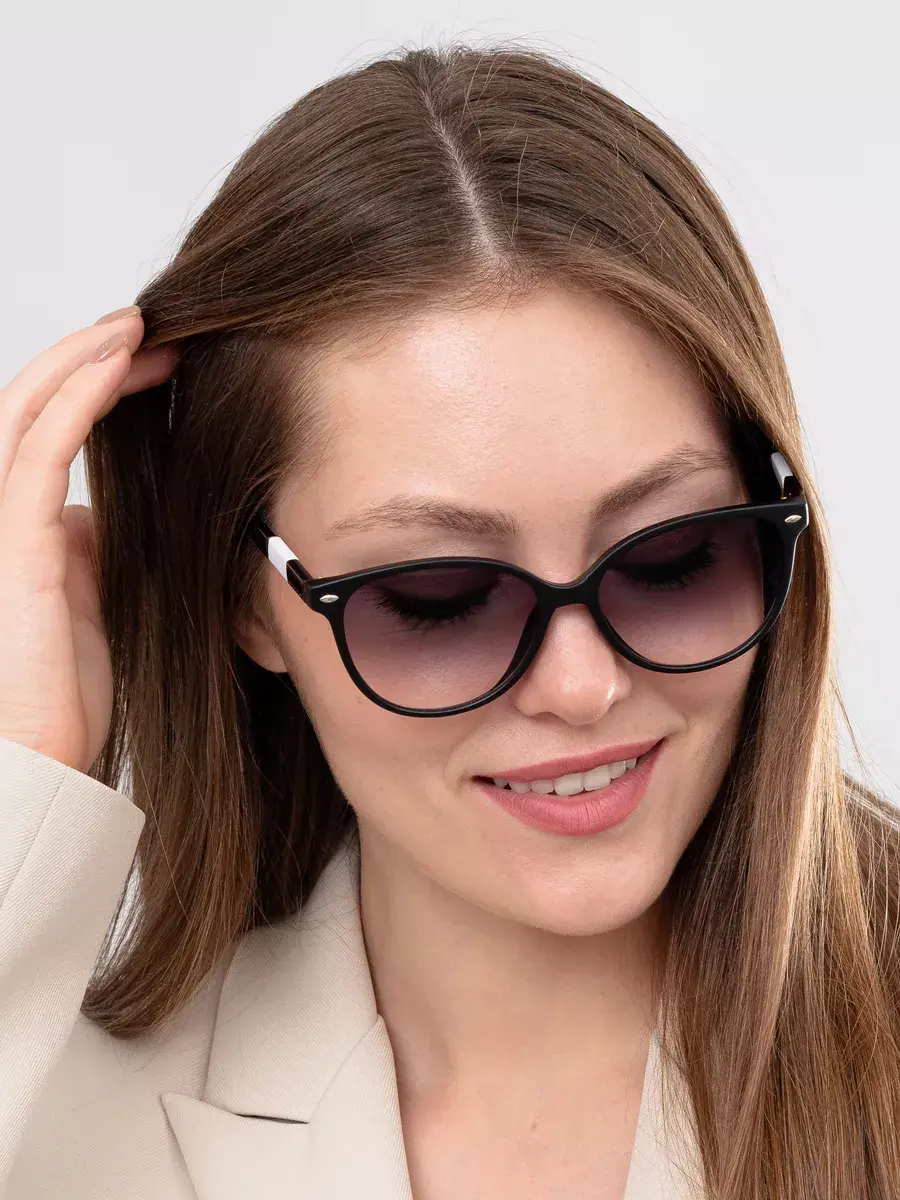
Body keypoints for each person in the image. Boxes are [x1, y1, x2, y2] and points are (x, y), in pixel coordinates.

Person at [0, 41, 897, 1200]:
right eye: (439, 601)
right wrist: (22, 760)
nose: (581, 686)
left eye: (673, 560)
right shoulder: (63, 1126)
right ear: (245, 601)